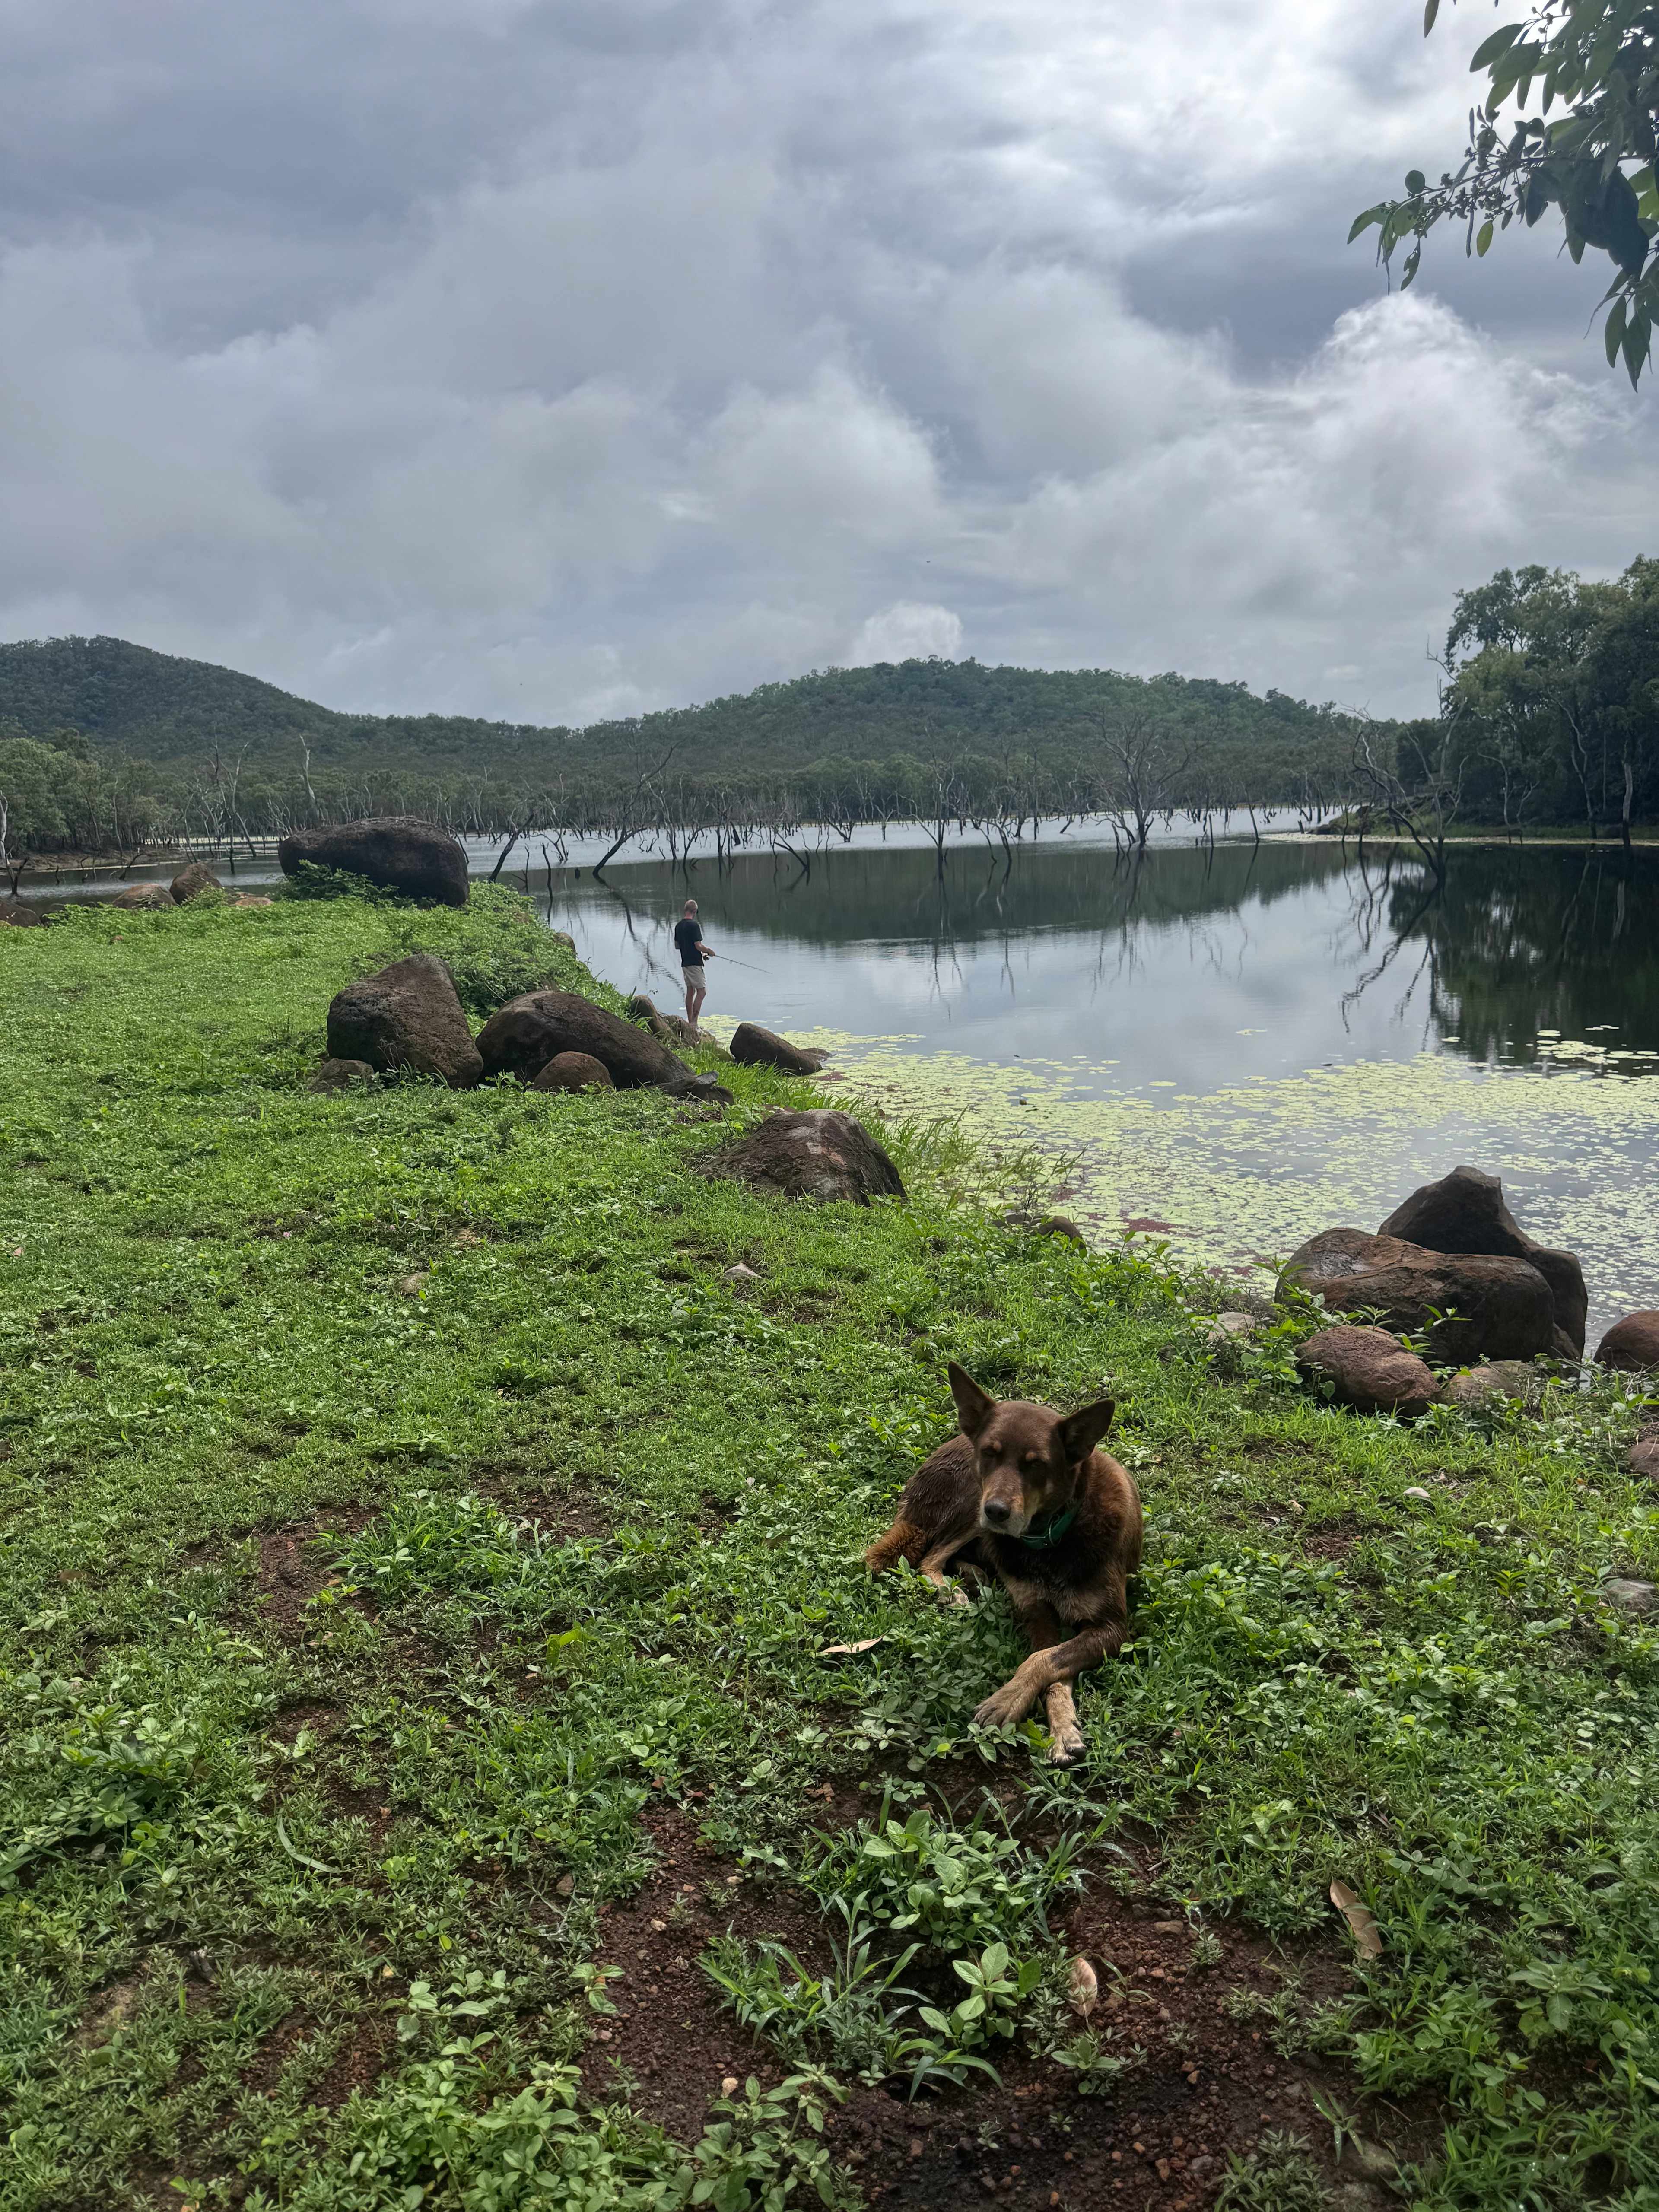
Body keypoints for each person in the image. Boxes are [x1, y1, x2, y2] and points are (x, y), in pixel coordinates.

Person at [672, 899, 714, 1031]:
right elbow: (698, 945)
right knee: (702, 992)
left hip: (685, 963)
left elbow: (677, 946)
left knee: (690, 991)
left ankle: (690, 1023)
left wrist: (698, 953)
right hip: (695, 964)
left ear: (686, 910)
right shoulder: (694, 926)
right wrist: (708, 951)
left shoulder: (678, 926)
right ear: (695, 911)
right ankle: (694, 1024)